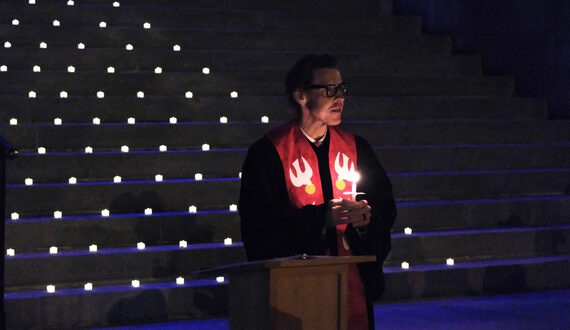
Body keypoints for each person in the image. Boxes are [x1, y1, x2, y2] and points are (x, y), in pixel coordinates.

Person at [238, 54, 396, 330]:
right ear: (300, 95)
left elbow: (385, 209)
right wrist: (321, 219)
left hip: (352, 287)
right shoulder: (268, 154)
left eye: (342, 89)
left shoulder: (357, 148)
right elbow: (259, 228)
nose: (340, 98)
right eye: (329, 90)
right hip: (295, 293)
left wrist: (364, 222)